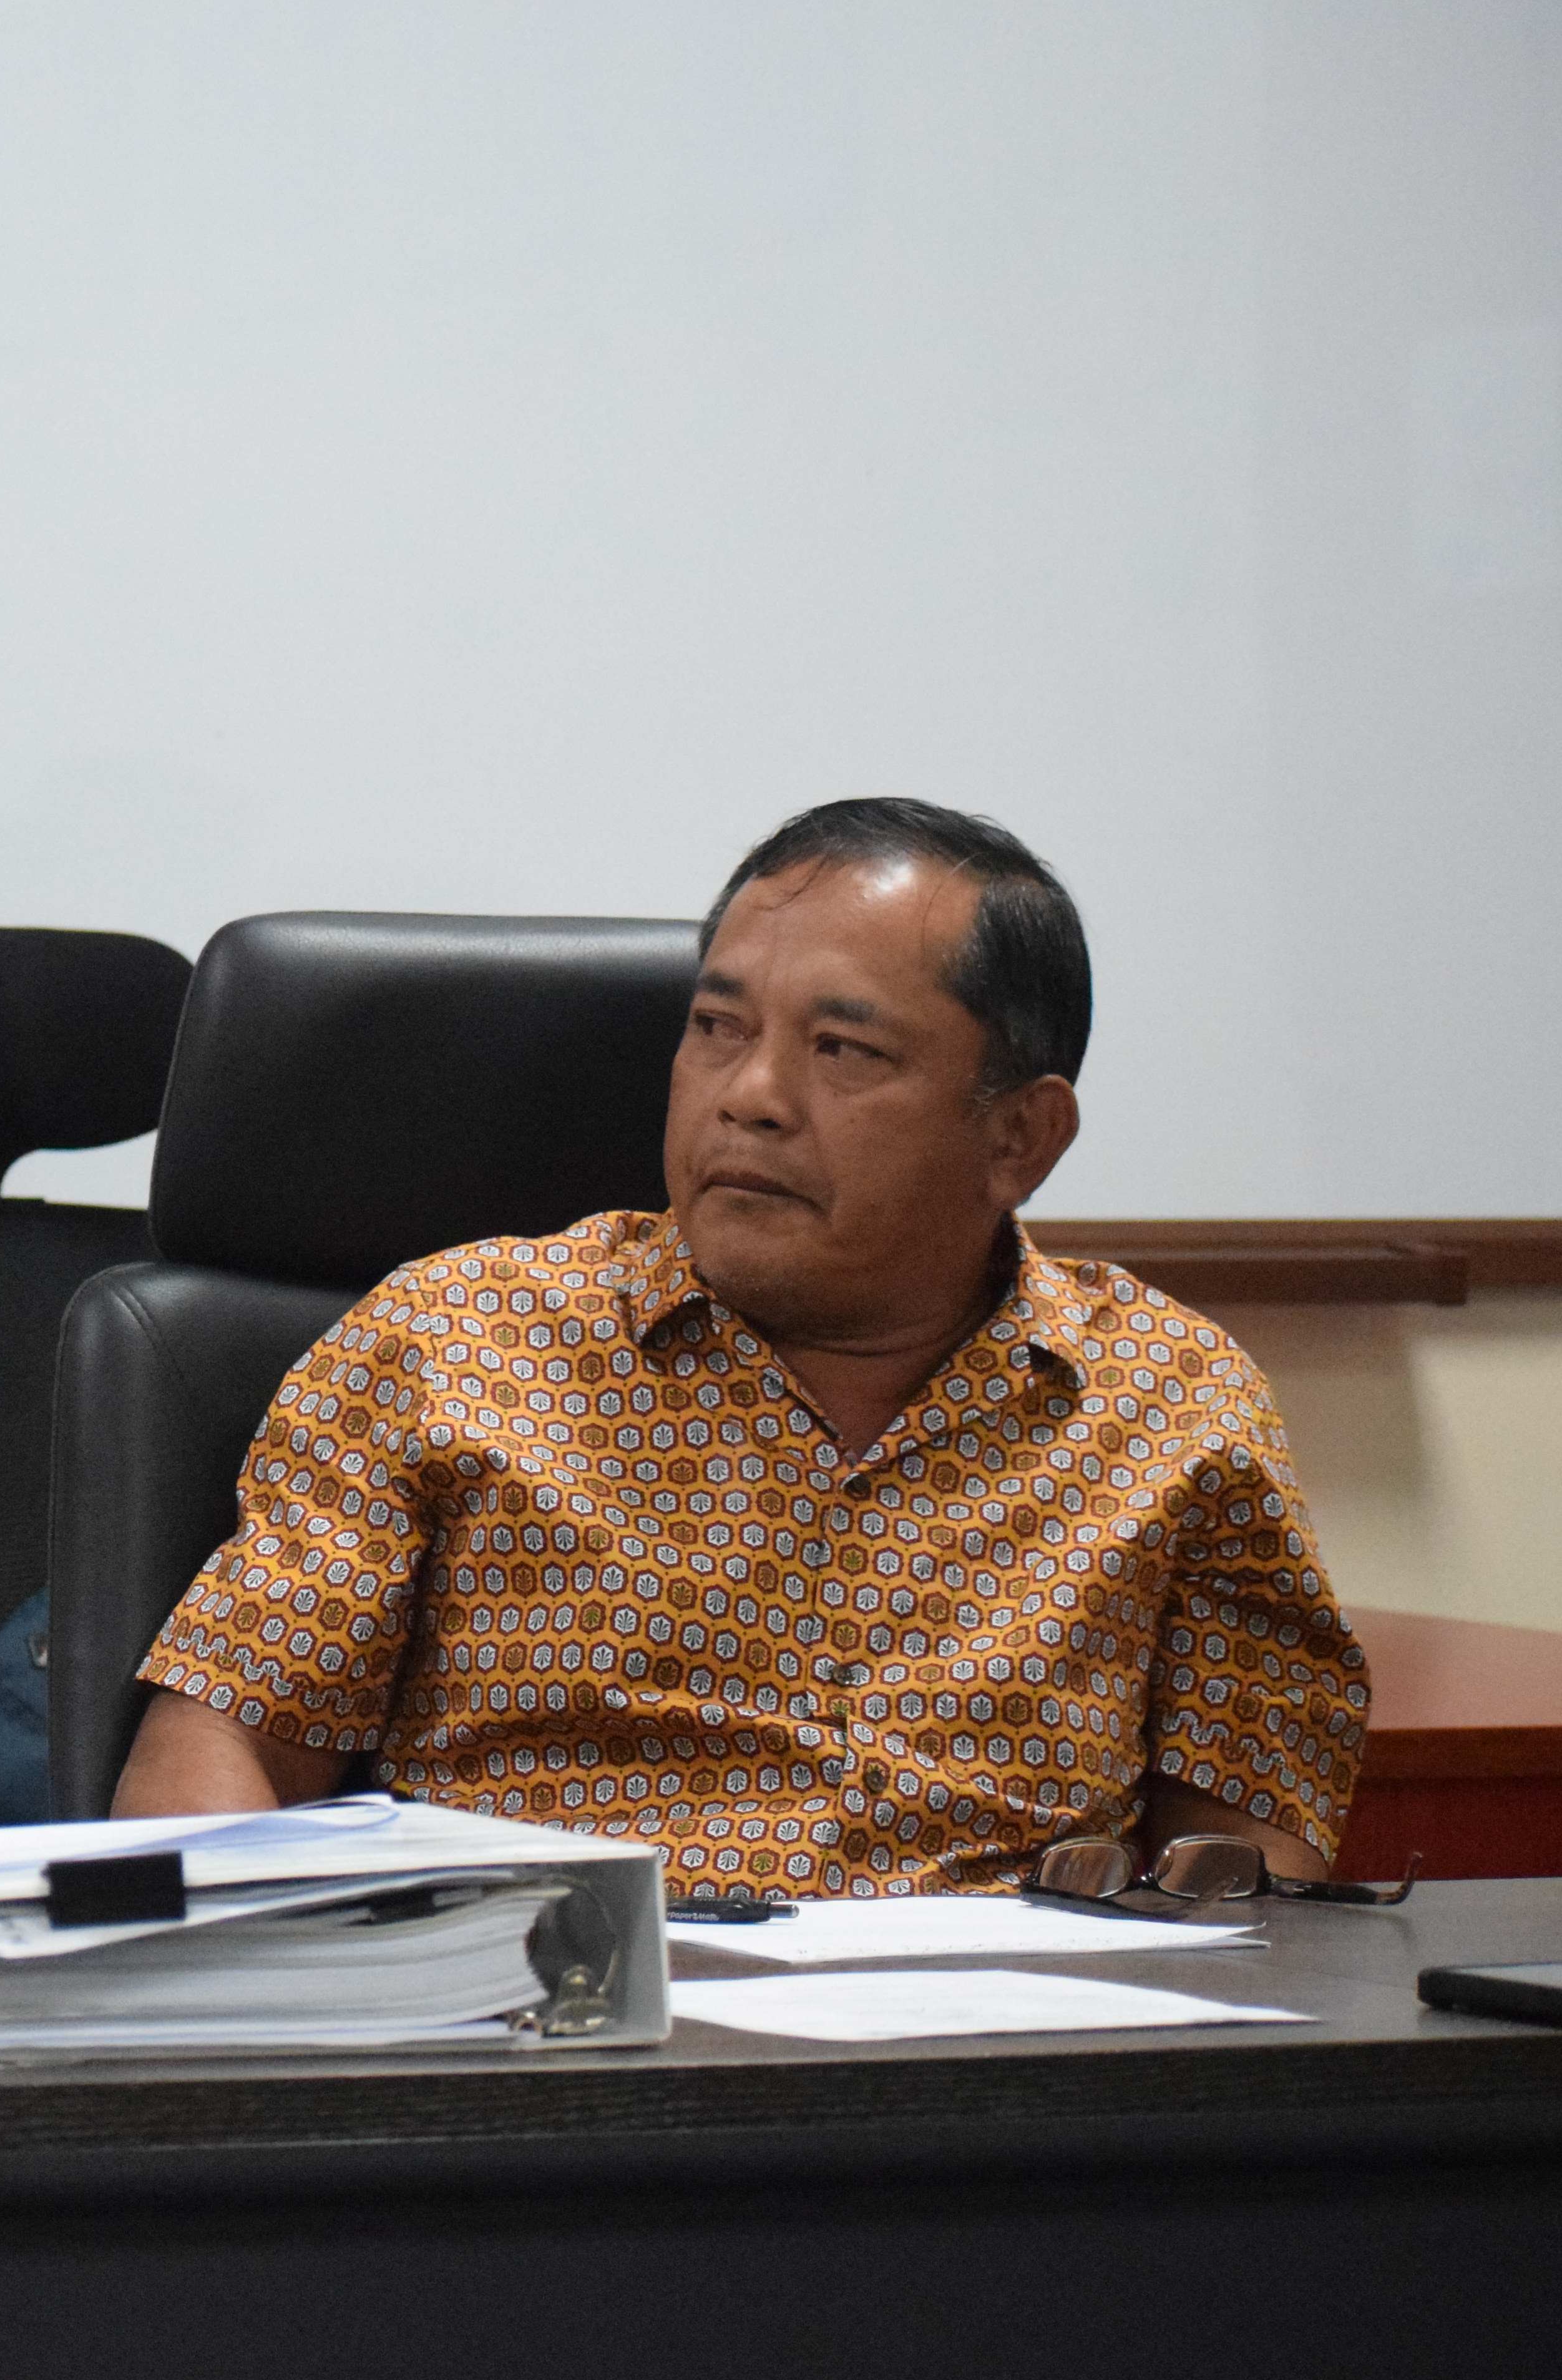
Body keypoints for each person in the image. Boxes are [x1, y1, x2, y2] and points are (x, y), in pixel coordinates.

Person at [111, 798, 1367, 1898]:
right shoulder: (453, 1341)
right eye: (717, 1027)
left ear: (1020, 1139)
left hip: (988, 2095)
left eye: (842, 1049)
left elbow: (1245, 1872)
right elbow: (222, 1758)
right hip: (554, 2062)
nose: (749, 1094)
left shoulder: (1173, 1400)